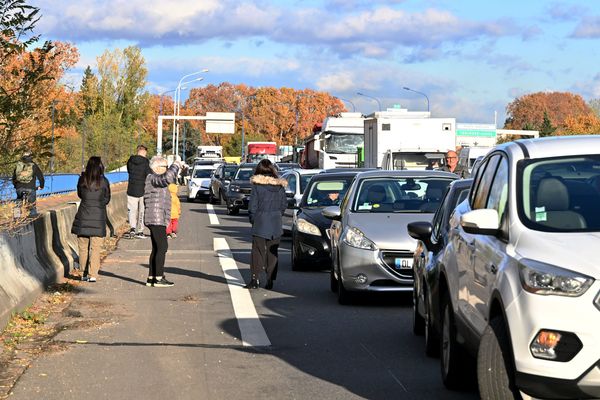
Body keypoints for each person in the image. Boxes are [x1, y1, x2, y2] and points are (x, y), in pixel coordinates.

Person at [246, 159, 288, 290]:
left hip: (260, 221)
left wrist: (253, 219)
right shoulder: (279, 186)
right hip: (275, 222)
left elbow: (252, 206)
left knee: (257, 251)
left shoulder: (257, 186)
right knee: (273, 252)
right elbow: (283, 205)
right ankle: (270, 279)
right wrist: (277, 215)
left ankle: (255, 279)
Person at [71, 156, 111, 282]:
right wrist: (99, 203)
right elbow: (107, 199)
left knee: (83, 248)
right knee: (95, 248)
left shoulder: (83, 179)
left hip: (83, 216)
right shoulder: (103, 181)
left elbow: (80, 194)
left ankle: (83, 273)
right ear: (100, 167)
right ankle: (93, 274)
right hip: (98, 218)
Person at [144, 156, 180, 287]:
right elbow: (168, 178)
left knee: (156, 248)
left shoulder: (154, 179)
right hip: (156, 217)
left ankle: (152, 277)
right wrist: (175, 165)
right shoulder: (153, 178)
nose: (166, 170)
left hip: (157, 217)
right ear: (157, 168)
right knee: (162, 247)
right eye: (165, 167)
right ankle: (159, 277)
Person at [125, 145, 151, 239]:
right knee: (142, 211)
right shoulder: (145, 162)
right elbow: (149, 175)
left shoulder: (130, 161)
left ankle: (132, 228)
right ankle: (140, 231)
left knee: (132, 210)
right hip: (143, 190)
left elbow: (128, 171)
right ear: (144, 152)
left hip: (131, 189)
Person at [12, 151, 44, 216]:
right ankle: (32, 216)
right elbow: (41, 177)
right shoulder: (34, 165)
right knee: (32, 204)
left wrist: (16, 186)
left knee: (18, 201)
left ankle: (16, 217)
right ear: (31, 157)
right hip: (30, 188)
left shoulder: (19, 165)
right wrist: (41, 186)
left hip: (19, 187)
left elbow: (14, 178)